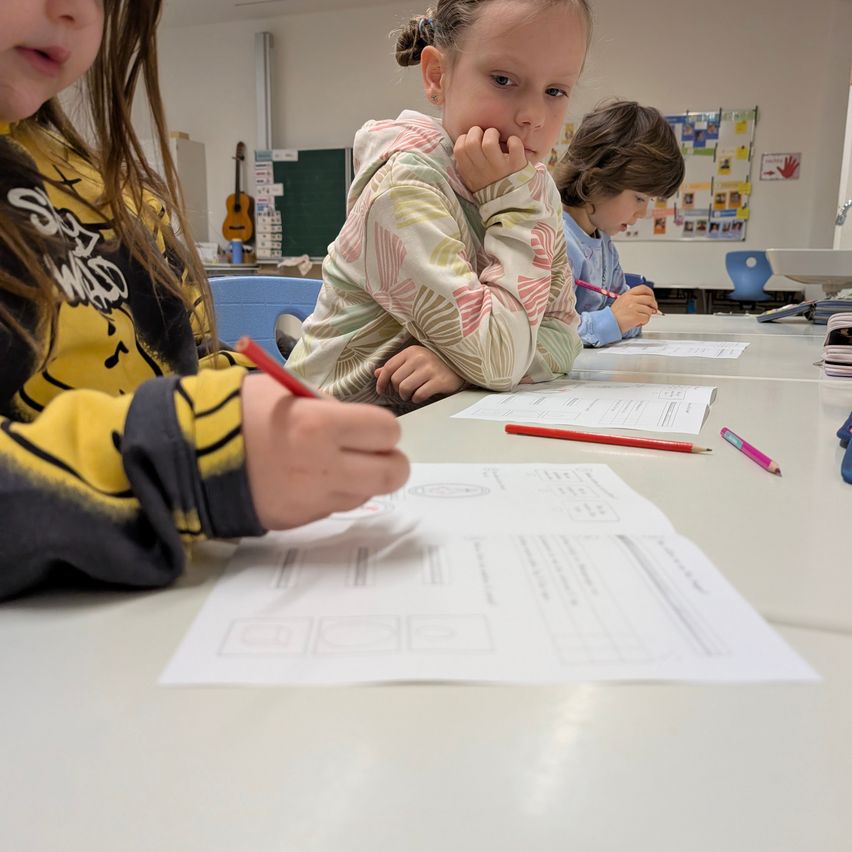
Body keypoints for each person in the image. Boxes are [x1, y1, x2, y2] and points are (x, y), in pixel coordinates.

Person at [0, 0, 409, 600]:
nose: (75, 10)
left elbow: (185, 366)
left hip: (187, 592)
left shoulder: (112, 189)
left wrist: (271, 399)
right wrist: (186, 458)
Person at [287, 0, 590, 411]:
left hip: (430, 424)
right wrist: (514, 210)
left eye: (555, 91)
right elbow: (499, 359)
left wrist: (464, 367)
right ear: (437, 76)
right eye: (503, 79)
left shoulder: (535, 190)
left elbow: (563, 333)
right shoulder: (404, 187)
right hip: (323, 430)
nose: (533, 115)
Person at [553, 101, 684, 347]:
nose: (643, 213)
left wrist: (633, 313)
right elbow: (549, 334)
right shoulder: (554, 241)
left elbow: (621, 315)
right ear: (597, 182)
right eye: (639, 198)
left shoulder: (603, 244)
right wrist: (614, 320)